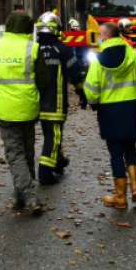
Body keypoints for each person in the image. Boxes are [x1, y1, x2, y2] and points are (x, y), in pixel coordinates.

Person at [83, 23, 136, 208]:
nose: (99, 37)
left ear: (105, 36)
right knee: (131, 148)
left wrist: (94, 101)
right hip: (131, 107)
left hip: (109, 110)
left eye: (100, 34)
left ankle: (120, 197)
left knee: (115, 153)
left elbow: (91, 88)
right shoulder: (135, 56)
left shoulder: (98, 60)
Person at [0, 12, 43, 214]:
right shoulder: (33, 49)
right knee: (26, 151)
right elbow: (43, 81)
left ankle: (28, 196)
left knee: (15, 153)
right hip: (28, 106)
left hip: (5, 108)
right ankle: (24, 195)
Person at [34, 12, 82, 185]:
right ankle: (45, 173)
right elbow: (75, 74)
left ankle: (58, 161)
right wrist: (82, 94)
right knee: (53, 136)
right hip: (55, 103)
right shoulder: (63, 49)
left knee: (49, 133)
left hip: (35, 103)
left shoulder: (33, 49)